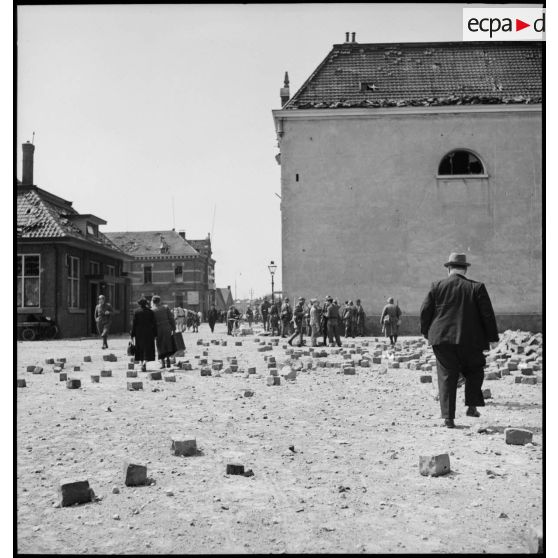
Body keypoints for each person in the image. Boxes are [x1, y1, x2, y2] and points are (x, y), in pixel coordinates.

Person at [419, 252, 499, 429]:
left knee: (447, 375)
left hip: (442, 339)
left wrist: (426, 333)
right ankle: (471, 406)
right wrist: (493, 338)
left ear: (449, 268)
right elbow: (487, 315)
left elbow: (425, 311)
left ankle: (448, 418)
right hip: (471, 340)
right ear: (465, 269)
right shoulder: (477, 287)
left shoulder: (436, 286)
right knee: (475, 371)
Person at [131, 297, 157, 372]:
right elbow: (154, 324)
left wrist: (132, 334)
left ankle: (142, 363)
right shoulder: (151, 312)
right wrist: (155, 334)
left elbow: (134, 324)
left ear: (139, 304)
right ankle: (145, 362)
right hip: (149, 332)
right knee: (148, 347)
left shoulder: (136, 312)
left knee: (140, 348)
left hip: (139, 333)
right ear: (146, 304)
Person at [151, 295, 176, 369]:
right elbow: (171, 318)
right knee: (168, 344)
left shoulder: (152, 310)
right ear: (160, 301)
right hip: (167, 328)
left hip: (158, 329)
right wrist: (174, 328)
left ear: (153, 302)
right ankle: (168, 361)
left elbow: (152, 323)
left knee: (160, 346)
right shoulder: (166, 307)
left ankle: (162, 363)